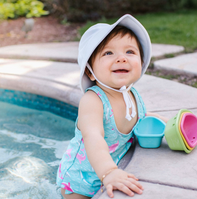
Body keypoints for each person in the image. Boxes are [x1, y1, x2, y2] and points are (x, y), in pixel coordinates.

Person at [57, 14, 168, 199]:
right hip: (79, 183)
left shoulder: (132, 95)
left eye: (130, 52)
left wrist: (172, 125)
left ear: (141, 63)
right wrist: (109, 172)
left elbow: (144, 118)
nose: (121, 58)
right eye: (108, 53)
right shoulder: (93, 101)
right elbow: (93, 137)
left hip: (111, 171)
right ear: (89, 72)